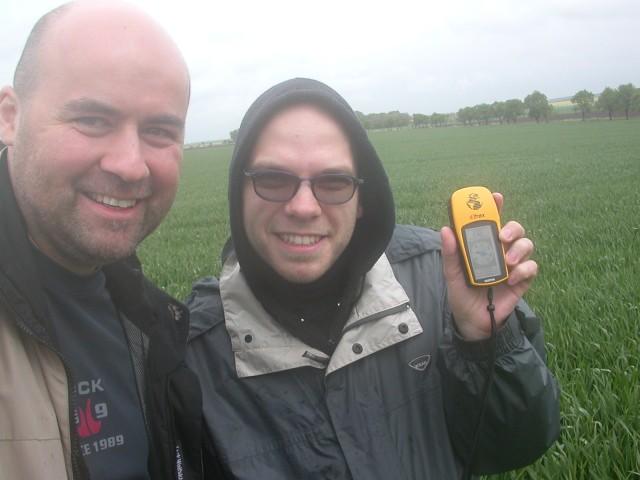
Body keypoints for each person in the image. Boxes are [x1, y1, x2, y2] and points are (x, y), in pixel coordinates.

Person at [186, 77, 560, 479]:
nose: (303, 207)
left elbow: (515, 447)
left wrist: (484, 340)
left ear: (362, 198)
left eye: (333, 182)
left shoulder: (442, 282)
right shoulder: (191, 353)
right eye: (273, 179)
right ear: (238, 192)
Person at [0, 2, 204, 479]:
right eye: (92, 120)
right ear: (10, 117)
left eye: (158, 130)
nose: (130, 164)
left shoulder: (148, 318)